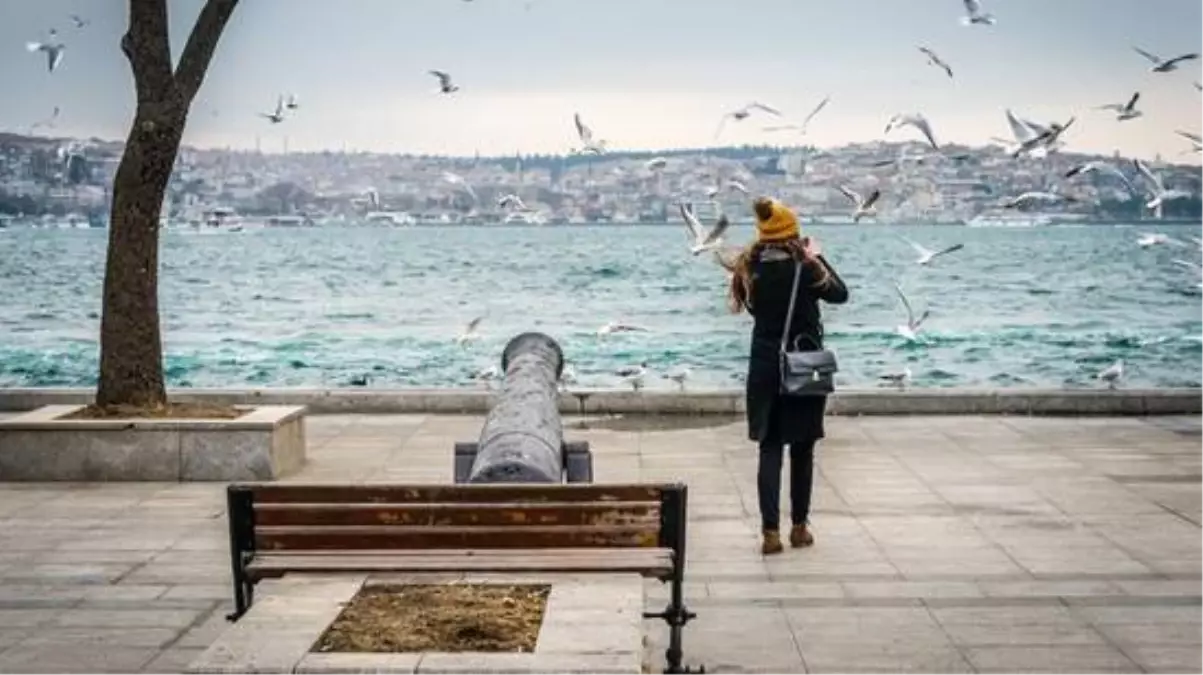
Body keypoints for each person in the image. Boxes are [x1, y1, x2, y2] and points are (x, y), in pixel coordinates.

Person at [728, 197, 849, 555]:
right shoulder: (806, 269)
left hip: (765, 366)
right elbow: (841, 294)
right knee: (803, 448)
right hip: (804, 364)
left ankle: (769, 533)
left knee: (769, 447)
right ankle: (799, 528)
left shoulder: (748, 267)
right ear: (793, 234)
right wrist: (816, 257)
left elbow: (749, 308)